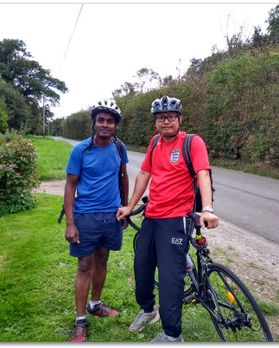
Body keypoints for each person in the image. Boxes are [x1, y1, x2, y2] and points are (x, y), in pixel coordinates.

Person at [117, 95, 219, 342]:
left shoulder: (192, 143)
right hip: (152, 216)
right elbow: (144, 174)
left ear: (179, 119)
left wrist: (207, 208)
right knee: (141, 269)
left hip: (176, 219)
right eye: (160, 118)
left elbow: (203, 174)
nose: (165, 122)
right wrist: (130, 205)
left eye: (170, 117)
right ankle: (149, 310)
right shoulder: (154, 143)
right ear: (155, 122)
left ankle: (173, 335)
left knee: (169, 280)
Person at [64, 99, 129, 342]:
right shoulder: (81, 150)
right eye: (100, 120)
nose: (104, 124)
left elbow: (122, 178)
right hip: (86, 216)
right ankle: (80, 321)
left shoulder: (119, 147)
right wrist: (70, 223)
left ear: (115, 126)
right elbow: (70, 186)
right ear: (94, 123)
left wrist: (125, 207)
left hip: (111, 215)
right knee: (84, 265)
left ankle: (96, 305)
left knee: (102, 258)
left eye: (109, 121)